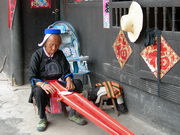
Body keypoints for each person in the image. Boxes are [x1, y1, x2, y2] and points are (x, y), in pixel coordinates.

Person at [28, 28, 87, 132]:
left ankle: (72, 114)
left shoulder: (59, 54)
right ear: (45, 43)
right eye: (51, 44)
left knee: (77, 83)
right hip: (44, 83)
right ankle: (42, 118)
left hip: (59, 82)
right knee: (38, 91)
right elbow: (32, 76)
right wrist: (42, 85)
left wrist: (68, 79)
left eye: (57, 45)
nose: (54, 48)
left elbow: (66, 70)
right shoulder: (37, 55)